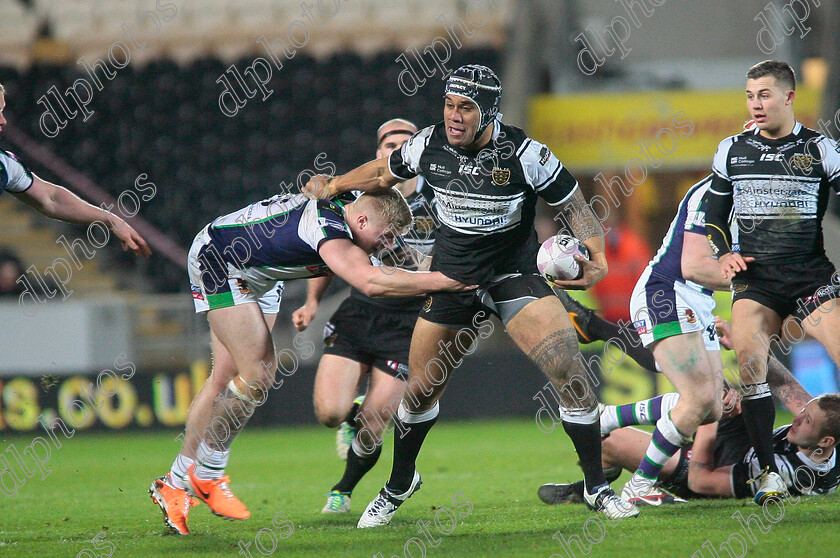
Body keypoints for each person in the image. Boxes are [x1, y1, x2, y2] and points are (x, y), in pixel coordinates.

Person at [309, 64, 639, 525]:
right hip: (452, 281)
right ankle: (399, 483)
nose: (454, 116)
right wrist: (337, 184)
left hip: (512, 276)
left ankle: (596, 487)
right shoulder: (428, 144)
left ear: (490, 112)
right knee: (422, 389)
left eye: (465, 107)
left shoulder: (526, 154)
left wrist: (598, 258)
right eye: (449, 105)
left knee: (569, 370)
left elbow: (573, 203)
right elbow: (383, 173)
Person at [148, 186, 471, 535]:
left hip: (261, 271)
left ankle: (175, 485)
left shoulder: (354, 207)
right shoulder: (329, 230)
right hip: (221, 259)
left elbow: (344, 188)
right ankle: (207, 476)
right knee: (258, 374)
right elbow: (370, 282)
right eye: (387, 236)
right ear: (362, 220)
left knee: (226, 378)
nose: (389, 244)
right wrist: (445, 282)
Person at [704, 60, 840, 504]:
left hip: (809, 277)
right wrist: (724, 252)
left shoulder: (823, 150)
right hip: (757, 281)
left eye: (764, 94)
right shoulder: (731, 149)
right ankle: (769, 474)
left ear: (789, 97)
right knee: (749, 364)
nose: (755, 104)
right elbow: (712, 217)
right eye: (749, 95)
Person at [291, 118, 435, 515]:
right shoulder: (357, 195)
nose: (397, 151)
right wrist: (312, 302)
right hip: (360, 314)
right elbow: (328, 248)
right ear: (377, 154)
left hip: (409, 327)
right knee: (329, 413)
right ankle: (348, 415)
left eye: (407, 145)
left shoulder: (441, 199)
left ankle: (343, 489)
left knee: (377, 422)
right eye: (390, 144)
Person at [538, 319, 840, 502]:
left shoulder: (793, 474)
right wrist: (744, 346)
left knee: (602, 443)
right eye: (805, 411)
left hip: (707, 470)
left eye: (806, 419)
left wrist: (710, 419)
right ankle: (598, 485)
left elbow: (702, 481)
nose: (797, 416)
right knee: (708, 388)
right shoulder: (821, 431)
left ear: (826, 442)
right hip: (737, 441)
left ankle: (634, 487)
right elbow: (785, 385)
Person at [600, 173, 732, 505]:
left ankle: (606, 419)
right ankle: (640, 487)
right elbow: (693, 266)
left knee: (712, 407)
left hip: (699, 302)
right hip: (668, 293)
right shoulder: (714, 192)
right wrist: (765, 284)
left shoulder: (756, 199)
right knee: (699, 398)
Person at [0, 83, 150, 258]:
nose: (3, 120)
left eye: (2, 110)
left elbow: (51, 198)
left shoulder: (5, 165)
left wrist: (110, 219)